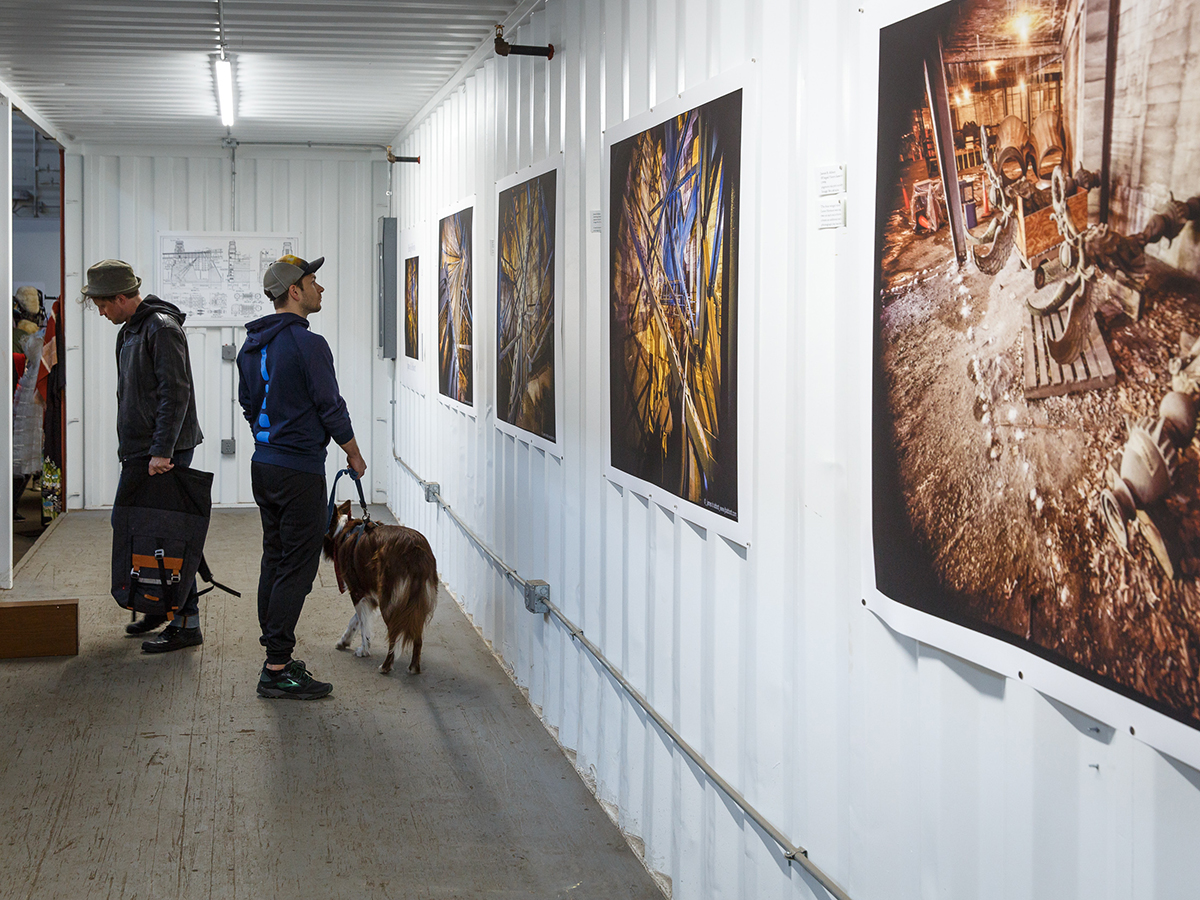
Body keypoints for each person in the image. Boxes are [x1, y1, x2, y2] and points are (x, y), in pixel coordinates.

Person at [237, 254, 366, 700]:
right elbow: (331, 406)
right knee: (298, 565)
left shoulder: (251, 346)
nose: (320, 288)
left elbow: (249, 405)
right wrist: (354, 453)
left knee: (275, 556)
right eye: (314, 281)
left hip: (265, 464)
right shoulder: (309, 346)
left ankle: (276, 652)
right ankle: (276, 667)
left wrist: (270, 438)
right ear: (295, 290)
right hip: (298, 471)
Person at [83, 259, 204, 651]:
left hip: (161, 453)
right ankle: (158, 604)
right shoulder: (131, 330)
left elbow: (176, 393)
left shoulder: (161, 329)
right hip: (141, 452)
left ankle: (187, 624)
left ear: (121, 298)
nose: (100, 312)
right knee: (139, 532)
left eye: (103, 304)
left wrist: (161, 451)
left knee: (169, 536)